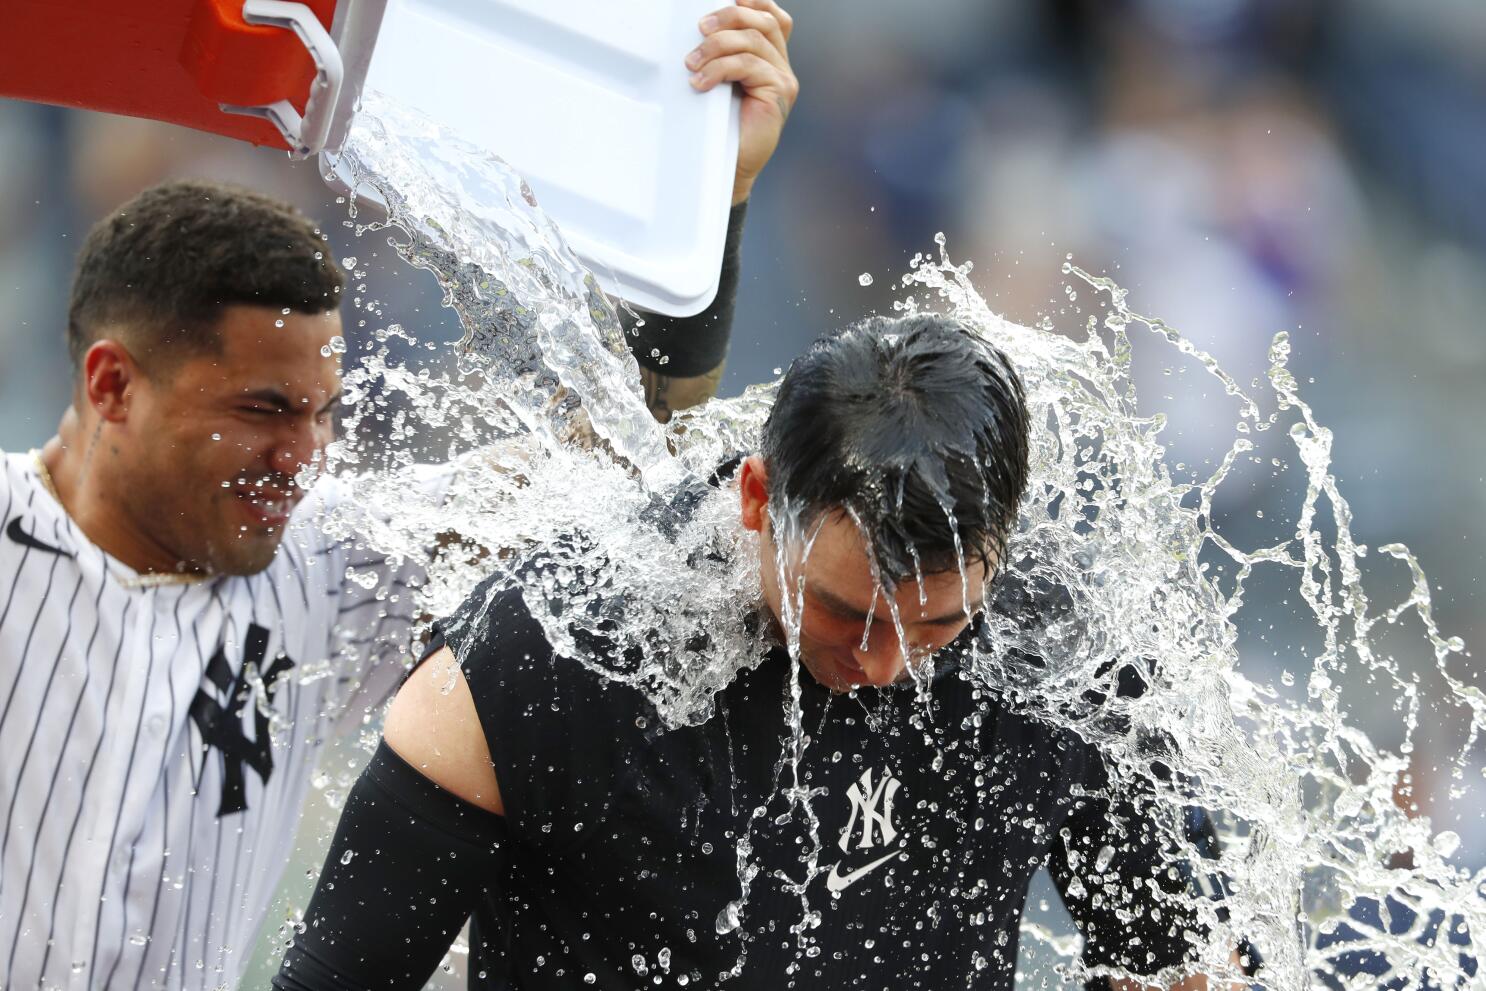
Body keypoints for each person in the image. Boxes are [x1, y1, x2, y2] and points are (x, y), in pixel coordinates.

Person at [0, 4, 799, 988]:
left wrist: (713, 192)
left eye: (323, 411)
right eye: (263, 409)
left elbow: (623, 459)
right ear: (112, 384)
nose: (304, 452)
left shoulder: (330, 567)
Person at [273, 314, 1235, 991]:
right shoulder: (551, 649)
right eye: (842, 611)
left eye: (937, 628)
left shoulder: (1070, 657)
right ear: (756, 500)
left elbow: (1176, 967)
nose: (883, 663)